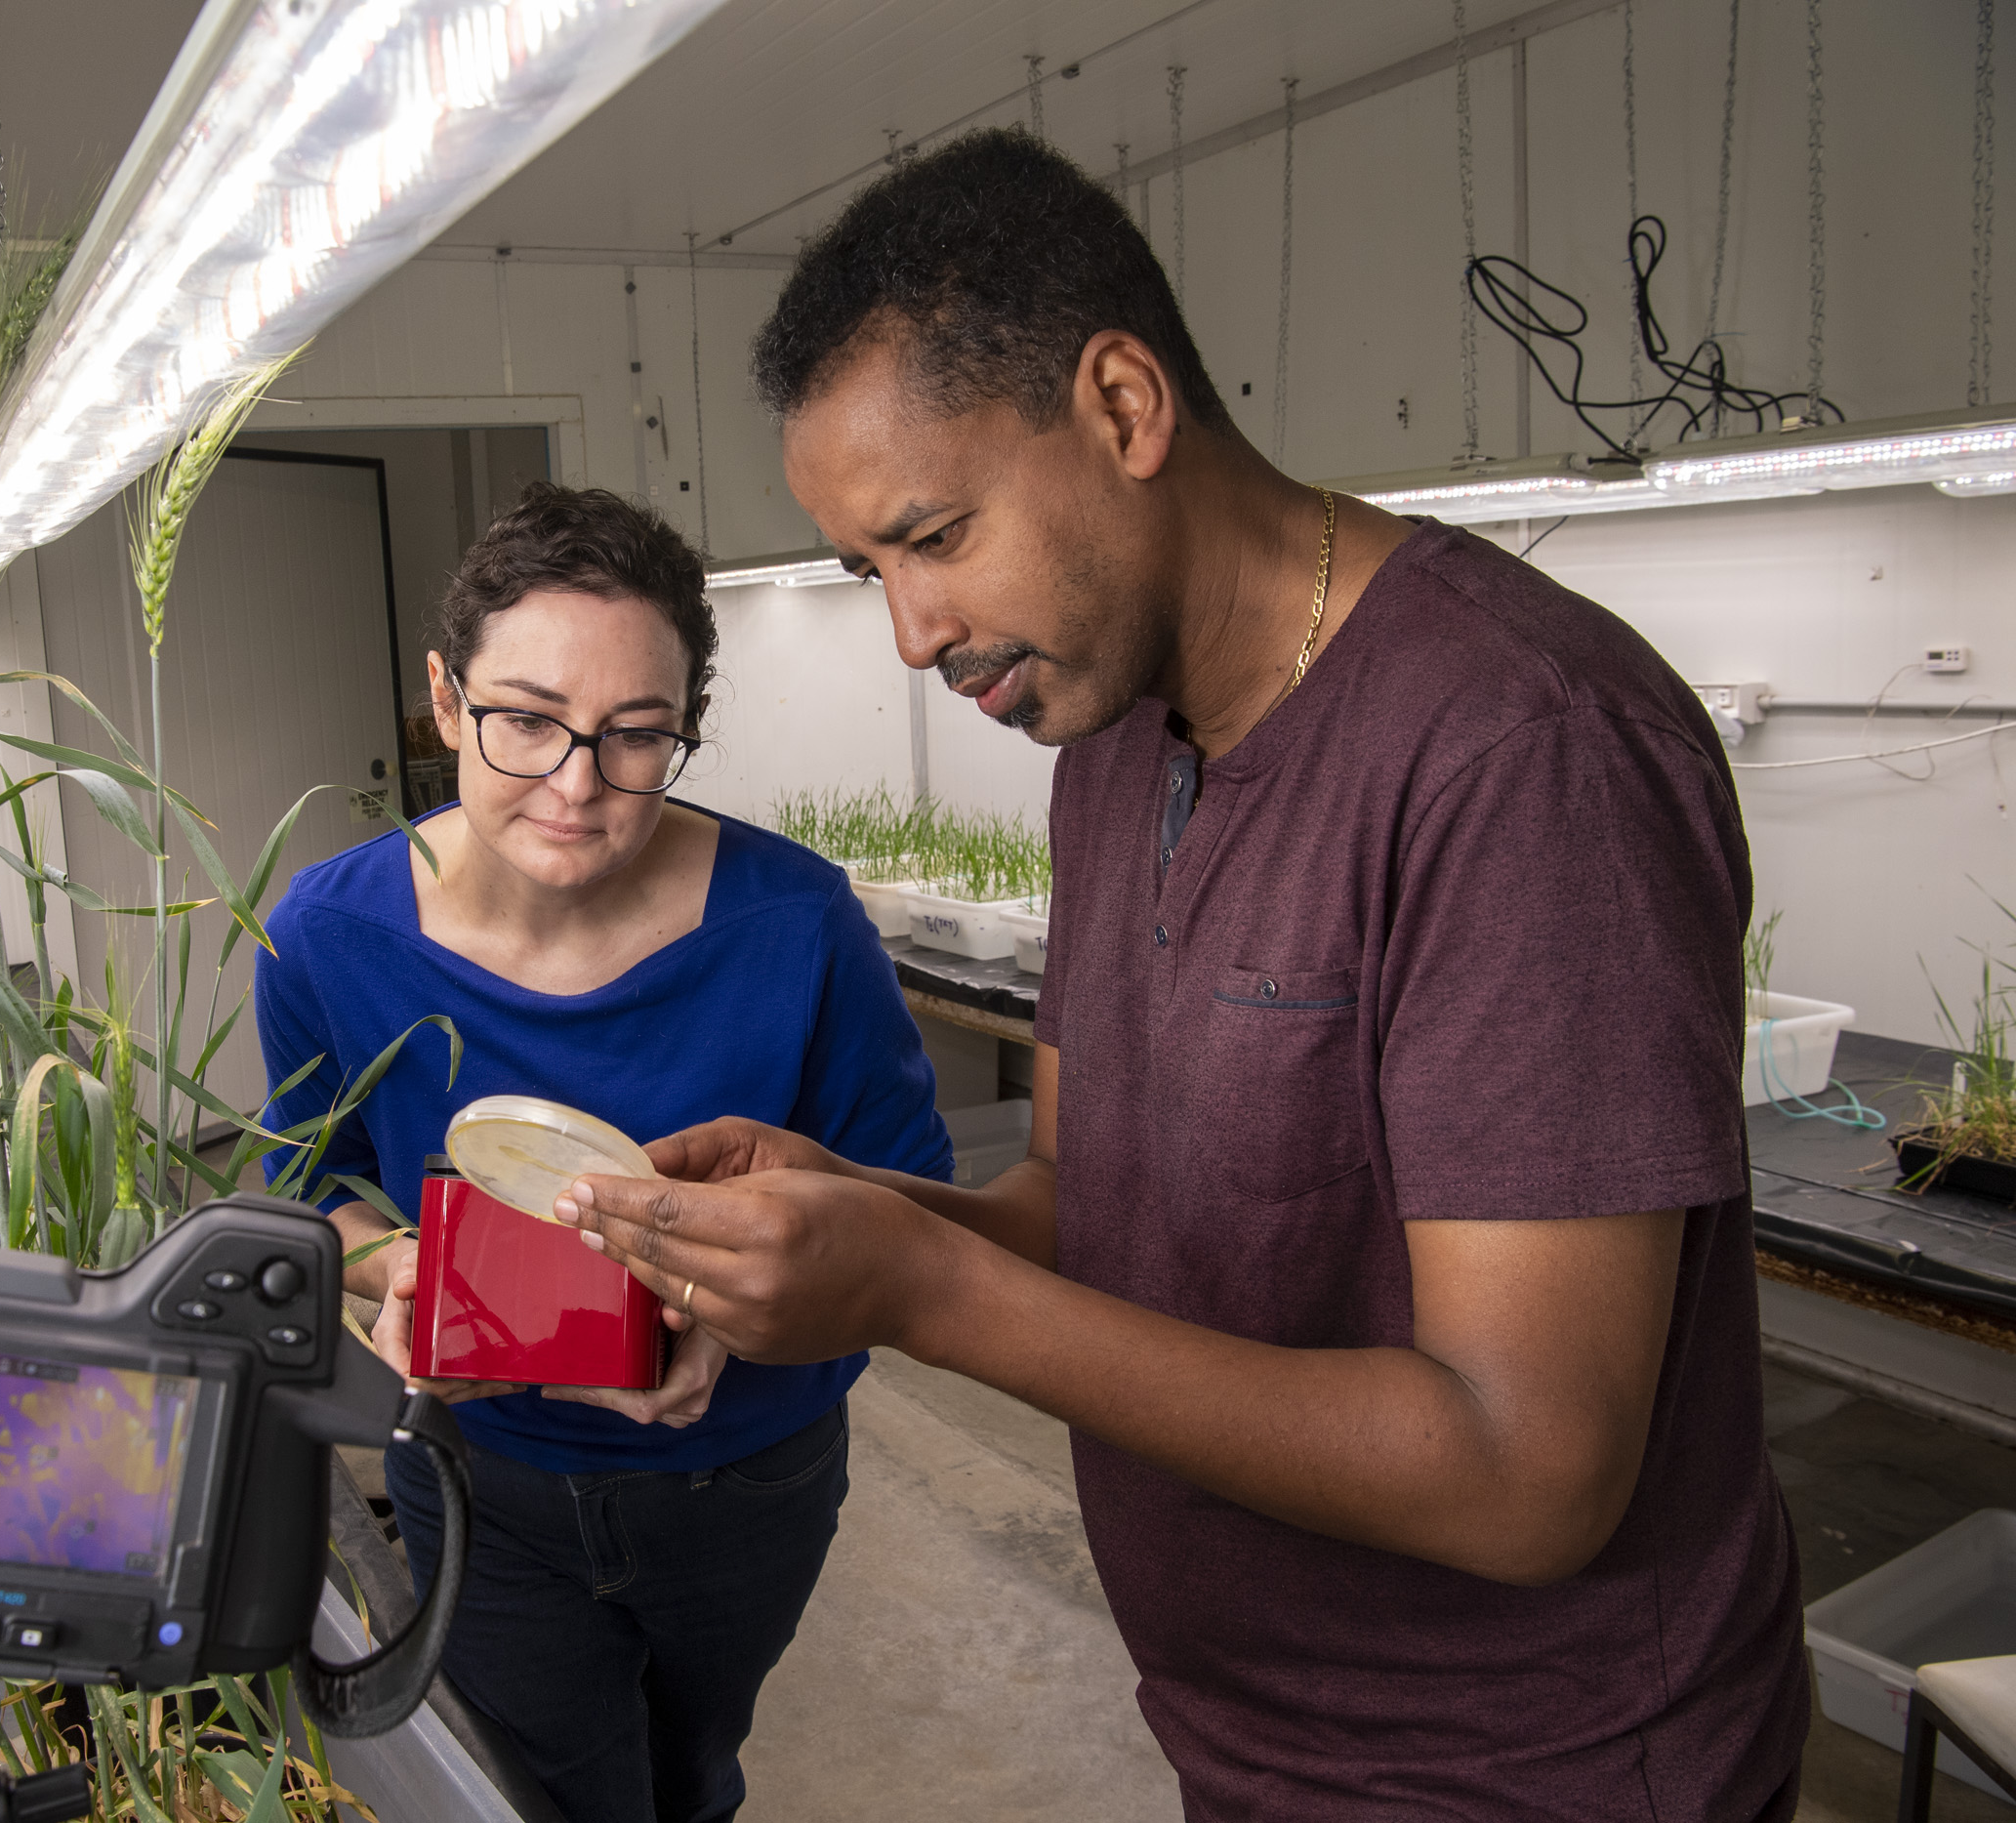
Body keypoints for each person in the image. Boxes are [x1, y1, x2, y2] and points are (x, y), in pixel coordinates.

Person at [554, 129, 1807, 1817]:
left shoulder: (1520, 749)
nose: (913, 634)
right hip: (1251, 1740)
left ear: (1125, 409)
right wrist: (857, 1217)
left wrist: (926, 1301)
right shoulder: (1115, 747)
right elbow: (1089, 1214)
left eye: (935, 535)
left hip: (1530, 1772)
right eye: (872, 572)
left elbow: (1529, 1474)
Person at [252, 482, 955, 1823]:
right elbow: (313, 1196)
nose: (577, 785)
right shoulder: (326, 936)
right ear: (448, 701)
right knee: (552, 1797)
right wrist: (396, 1271)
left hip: (748, 1475)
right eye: (525, 721)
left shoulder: (796, 927)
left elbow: (907, 1217)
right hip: (478, 1475)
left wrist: (739, 1328)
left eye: (637, 737)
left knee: (691, 1775)